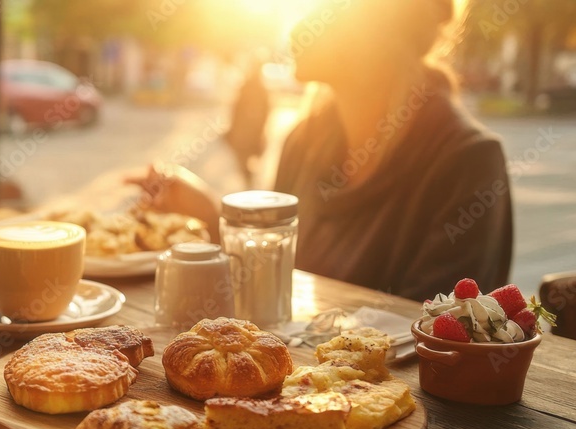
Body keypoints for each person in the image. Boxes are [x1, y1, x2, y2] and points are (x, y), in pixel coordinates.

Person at [128, 0, 512, 301]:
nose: (297, 28)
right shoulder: (306, 139)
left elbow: (438, 339)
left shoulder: (467, 161)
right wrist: (213, 218)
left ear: (378, 30)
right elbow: (275, 287)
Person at [224, 56, 271, 187]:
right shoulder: (256, 86)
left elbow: (239, 110)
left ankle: (248, 185)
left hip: (247, 134)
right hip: (247, 133)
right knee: (244, 163)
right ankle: (248, 183)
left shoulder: (254, 87)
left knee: (244, 162)